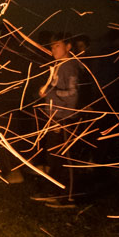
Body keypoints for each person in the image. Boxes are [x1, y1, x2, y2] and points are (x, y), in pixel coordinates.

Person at [37, 33, 80, 195]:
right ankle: (55, 191)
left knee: (62, 158)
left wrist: (50, 92)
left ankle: (68, 196)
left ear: (68, 47)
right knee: (54, 156)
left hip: (64, 119)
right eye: (52, 46)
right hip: (56, 116)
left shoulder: (70, 67)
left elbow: (73, 94)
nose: (53, 49)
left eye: (57, 45)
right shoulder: (59, 66)